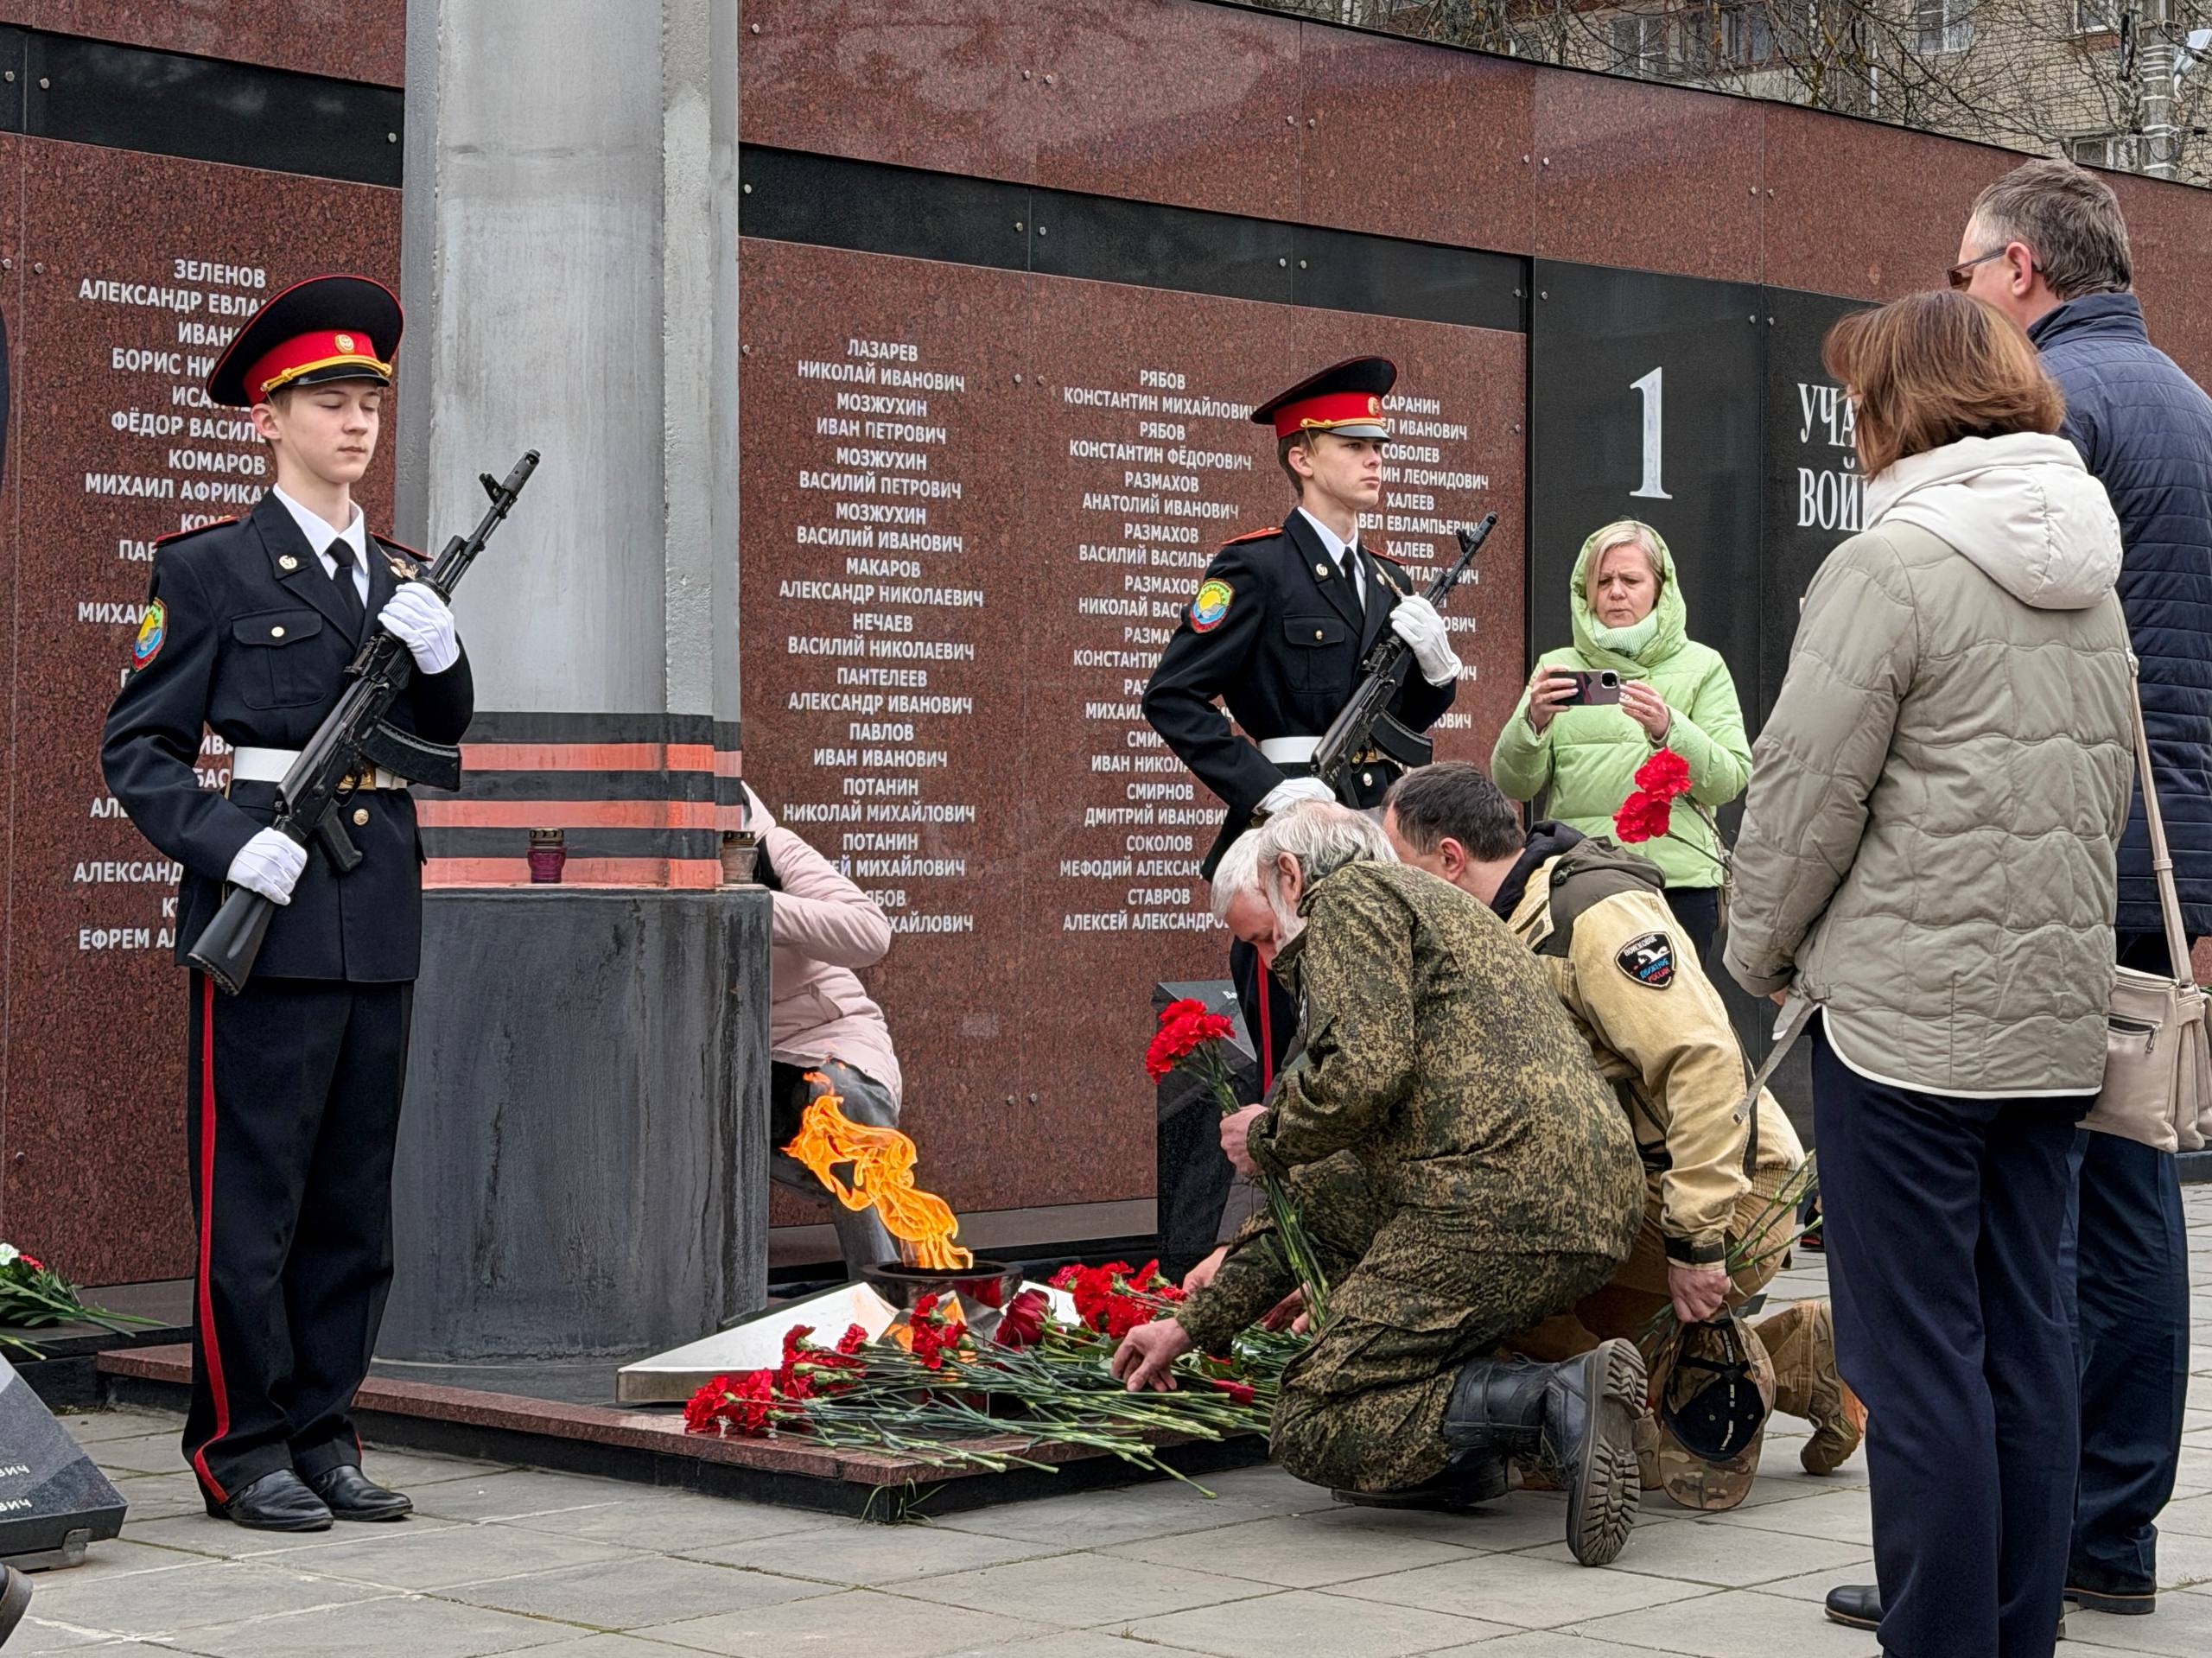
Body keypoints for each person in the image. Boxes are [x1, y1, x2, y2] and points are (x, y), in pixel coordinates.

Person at [1725, 289, 2134, 1658]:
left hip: (1905, 1024)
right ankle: (2017, 1634)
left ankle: (1940, 1636)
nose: (1853, 426)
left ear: (1904, 408)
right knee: (2024, 1335)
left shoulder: (1894, 562)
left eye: (1861, 400)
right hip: (2052, 1021)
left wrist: (1760, 947)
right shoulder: (2089, 562)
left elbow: (1801, 789)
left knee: (1913, 1361)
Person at [101, 276, 474, 1532]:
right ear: (266, 417)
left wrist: (442, 653)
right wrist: (225, 842)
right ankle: (238, 1440)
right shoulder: (205, 566)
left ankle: (325, 1425)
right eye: (328, 398)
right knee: (252, 1197)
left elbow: (440, 734)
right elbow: (138, 747)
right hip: (266, 910)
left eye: (369, 398)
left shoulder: (405, 573)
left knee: (351, 1204)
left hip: (377, 919)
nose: (356, 420)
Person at [1111, 803, 1648, 1566]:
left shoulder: (1350, 901)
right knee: (1389, 1353)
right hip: (1588, 1197)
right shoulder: (1436, 916)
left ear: (1290, 876)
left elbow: (1362, 1075)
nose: (1268, 963)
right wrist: (1190, 1325)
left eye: (1264, 936)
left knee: (1312, 1409)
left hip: (1487, 1197)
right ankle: (1489, 1450)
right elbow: (1324, 1210)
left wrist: (1266, 1133)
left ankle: (1551, 1403)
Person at [1944, 156, 2209, 1623]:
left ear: (2023, 272)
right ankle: (2111, 1525)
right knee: (2131, 1200)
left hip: (2054, 853)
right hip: (2159, 866)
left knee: (2031, 1212)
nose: (1961, 293)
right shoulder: (2188, 404)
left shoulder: (2054, 408)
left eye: (1966, 270)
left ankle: (2021, 1544)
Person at [1380, 760, 1860, 1510]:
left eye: (1402, 871)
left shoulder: (1592, 913)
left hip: (1722, 1190)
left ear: (1448, 857)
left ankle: (1596, 1422)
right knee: (1578, 1328)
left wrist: (1697, 1238)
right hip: (1629, 1188)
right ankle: (1802, 1358)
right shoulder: (1507, 924)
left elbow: (1699, 1061)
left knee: (1489, 1259)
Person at [1144, 357, 1461, 1089]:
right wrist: (1265, 789)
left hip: (1376, 830)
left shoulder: (1389, 579)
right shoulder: (1256, 568)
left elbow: (1398, 720)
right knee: (1296, 1057)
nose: (1374, 457)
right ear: (1302, 456)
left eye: (1378, 444)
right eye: (1353, 445)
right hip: (1291, 833)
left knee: (1384, 1047)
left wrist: (1438, 679)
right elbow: (1173, 696)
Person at [1489, 520, 1748, 963]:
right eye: (1603, 581)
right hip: (1581, 878)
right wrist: (1533, 723)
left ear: (1660, 588)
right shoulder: (1558, 666)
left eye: (1631, 580)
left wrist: (1670, 729)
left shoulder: (1703, 665)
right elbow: (1515, 784)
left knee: (1672, 1026)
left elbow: (1729, 780)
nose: (1615, 592)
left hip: (1678, 884)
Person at [744, 782, 900, 1276]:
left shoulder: (772, 849)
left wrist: (752, 904)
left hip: (821, 1039)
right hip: (722, 1067)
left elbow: (870, 933)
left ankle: (888, 1297)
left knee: (847, 1104)